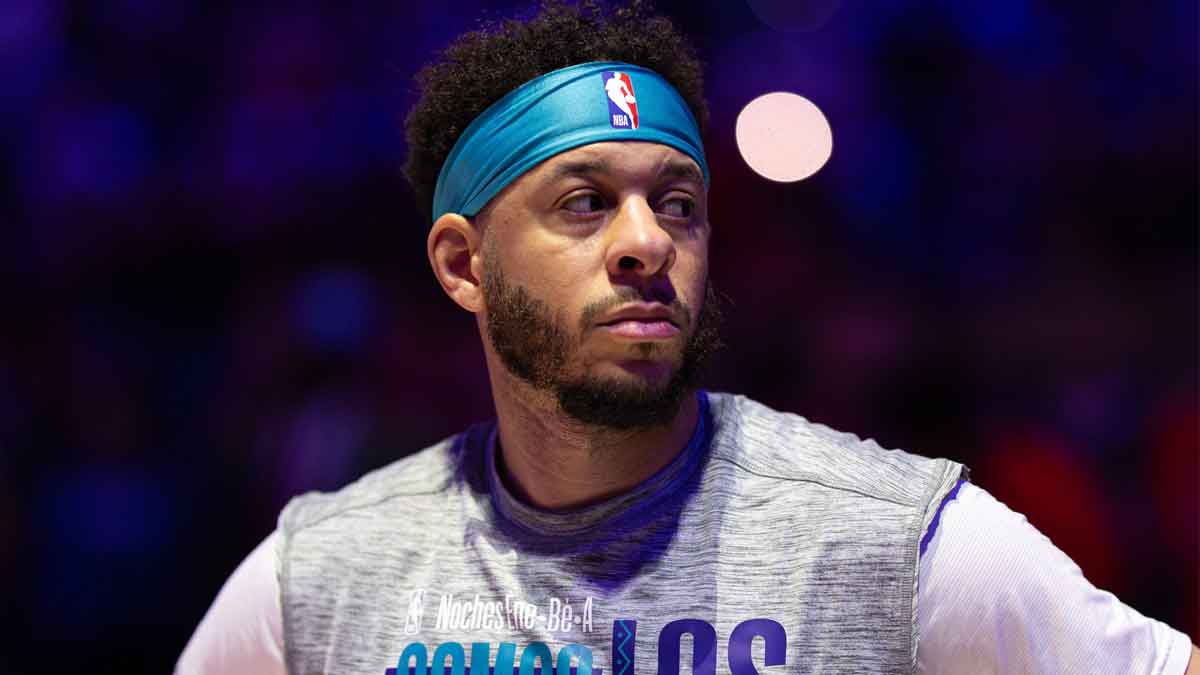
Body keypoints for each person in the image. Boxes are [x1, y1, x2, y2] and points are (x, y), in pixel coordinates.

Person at [176, 2, 1198, 673]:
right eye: (583, 203)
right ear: (463, 265)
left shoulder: (894, 543)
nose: (646, 242)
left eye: (678, 203)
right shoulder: (324, 574)